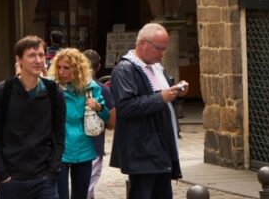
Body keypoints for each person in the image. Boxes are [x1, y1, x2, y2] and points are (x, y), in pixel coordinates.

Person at [110, 23, 185, 199]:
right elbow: (126, 106)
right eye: (159, 48)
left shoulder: (156, 66)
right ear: (143, 43)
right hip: (142, 149)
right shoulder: (125, 69)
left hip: (160, 146)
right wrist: (161, 98)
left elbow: (164, 94)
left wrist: (177, 91)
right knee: (143, 192)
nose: (162, 53)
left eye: (165, 48)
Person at [0, 36, 65, 199]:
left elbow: (59, 134)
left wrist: (53, 170)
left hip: (44, 180)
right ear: (19, 60)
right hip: (11, 180)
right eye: (31, 55)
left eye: (41, 55)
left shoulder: (53, 91)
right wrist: (2, 174)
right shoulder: (2, 92)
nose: (38, 60)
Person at [48, 49, 111, 199]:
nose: (61, 71)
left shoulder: (91, 88)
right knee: (59, 195)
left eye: (66, 68)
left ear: (77, 69)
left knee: (81, 195)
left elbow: (106, 117)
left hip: (84, 147)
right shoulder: (52, 88)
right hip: (59, 149)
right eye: (59, 67)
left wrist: (99, 107)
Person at [84, 50, 115, 199]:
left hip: (70, 147)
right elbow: (112, 122)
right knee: (86, 189)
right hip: (93, 146)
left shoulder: (68, 87)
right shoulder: (103, 90)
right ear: (99, 67)